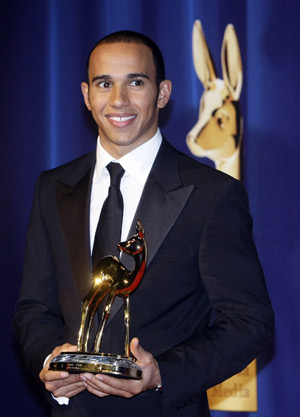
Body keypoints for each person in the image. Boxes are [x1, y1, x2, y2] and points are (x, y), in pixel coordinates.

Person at [14, 30, 274, 417]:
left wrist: (160, 374)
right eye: (105, 84)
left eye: (136, 82)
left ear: (163, 93)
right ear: (87, 95)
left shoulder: (211, 194)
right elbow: (33, 308)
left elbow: (250, 324)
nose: (118, 100)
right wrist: (50, 361)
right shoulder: (53, 187)